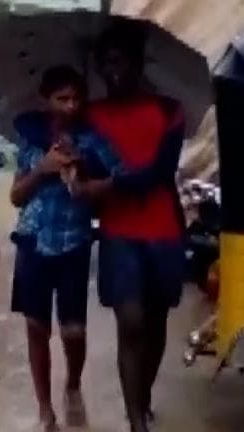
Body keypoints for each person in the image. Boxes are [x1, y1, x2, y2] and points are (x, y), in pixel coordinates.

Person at [83, 30, 186, 432]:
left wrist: (108, 185)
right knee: (131, 321)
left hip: (164, 231)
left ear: (139, 63)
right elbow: (88, 171)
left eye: (120, 60)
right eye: (105, 62)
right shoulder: (90, 116)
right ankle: (136, 424)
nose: (113, 70)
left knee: (156, 323)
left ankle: (141, 400)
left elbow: (160, 173)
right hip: (118, 232)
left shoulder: (169, 110)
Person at [9, 65, 122, 432]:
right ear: (46, 99)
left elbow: (117, 181)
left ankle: (72, 384)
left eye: (76, 98)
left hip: (74, 242)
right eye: (62, 98)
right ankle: (45, 409)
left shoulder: (93, 139)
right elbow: (15, 197)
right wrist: (41, 169)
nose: (71, 105)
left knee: (74, 331)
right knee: (36, 327)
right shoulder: (30, 137)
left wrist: (84, 176)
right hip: (32, 240)